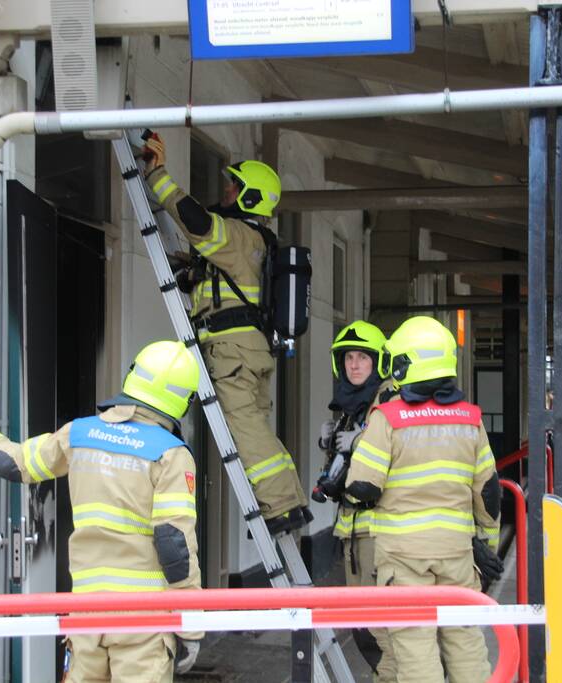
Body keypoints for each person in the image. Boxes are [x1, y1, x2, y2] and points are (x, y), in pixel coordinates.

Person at [0, 341, 203, 681]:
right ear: (185, 400)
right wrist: (191, 628)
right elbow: (174, 546)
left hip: (87, 614)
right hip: (144, 620)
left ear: (133, 375)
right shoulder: (170, 455)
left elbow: (11, 463)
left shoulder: (80, 434)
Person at [142, 135, 310, 534]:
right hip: (251, 350)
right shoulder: (259, 243)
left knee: (246, 429)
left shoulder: (237, 235)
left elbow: (197, 222)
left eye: (234, 186)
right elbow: (225, 285)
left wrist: (157, 176)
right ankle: (285, 501)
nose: (227, 191)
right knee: (256, 428)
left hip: (233, 350)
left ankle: (283, 504)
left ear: (249, 198)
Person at [343, 316, 501, 683]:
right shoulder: (470, 419)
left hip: (403, 558)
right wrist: (487, 547)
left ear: (403, 364)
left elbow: (361, 488)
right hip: (457, 554)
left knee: (415, 647)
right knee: (465, 641)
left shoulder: (388, 418)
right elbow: (489, 495)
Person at [313, 320, 396, 681]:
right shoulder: (351, 408)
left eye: (363, 357)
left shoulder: (390, 403)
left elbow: (392, 461)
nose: (355, 364)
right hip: (353, 532)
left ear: (378, 362)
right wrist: (330, 447)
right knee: (363, 627)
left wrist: (359, 443)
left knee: (383, 630)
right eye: (348, 357)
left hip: (380, 535)